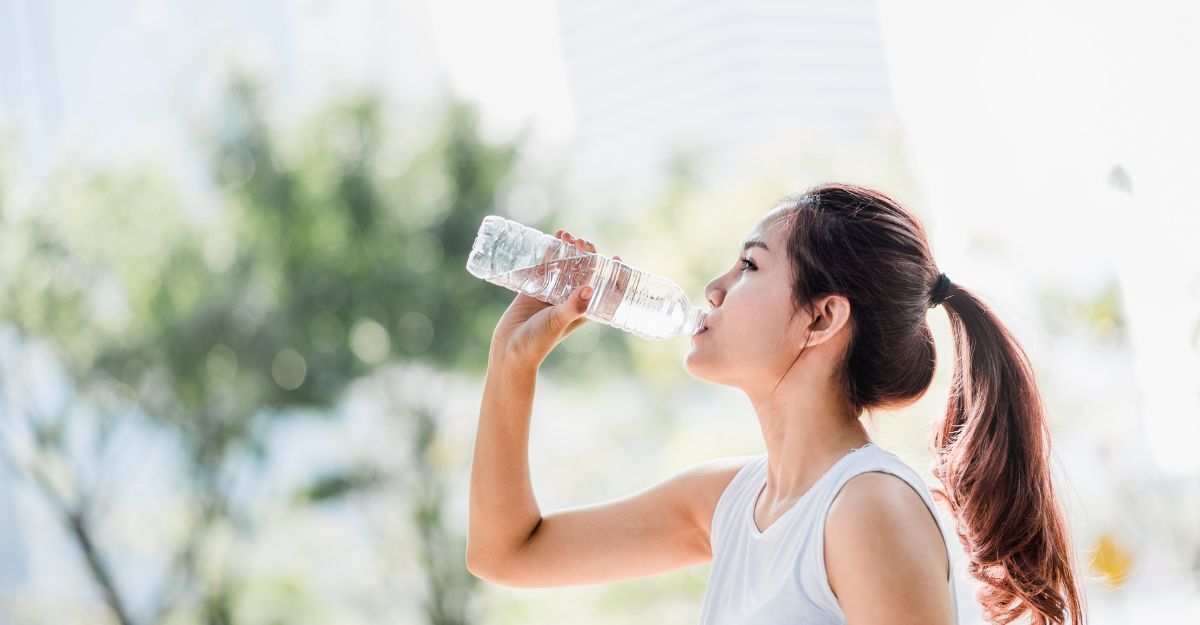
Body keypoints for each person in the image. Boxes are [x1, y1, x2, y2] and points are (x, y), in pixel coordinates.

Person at [467, 183, 1087, 625]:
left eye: (748, 265)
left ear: (821, 317)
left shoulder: (868, 509)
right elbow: (507, 553)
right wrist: (511, 362)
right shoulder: (730, 503)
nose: (713, 288)